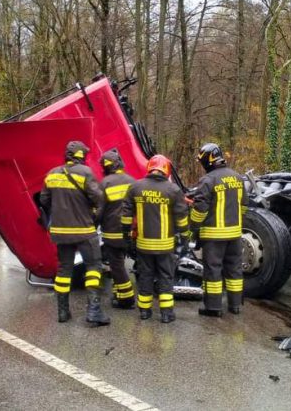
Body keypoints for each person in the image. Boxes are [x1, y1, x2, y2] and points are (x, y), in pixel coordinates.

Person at [39, 140, 110, 326]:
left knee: (64, 270)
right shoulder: (85, 173)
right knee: (93, 267)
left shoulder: (52, 174)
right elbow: (99, 199)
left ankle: (63, 312)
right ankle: (94, 311)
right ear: (81, 156)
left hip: (61, 233)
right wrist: (94, 218)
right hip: (85, 230)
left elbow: (44, 200)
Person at [121, 154, 189, 323]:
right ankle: (166, 314)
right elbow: (182, 219)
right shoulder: (173, 190)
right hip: (165, 246)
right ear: (166, 169)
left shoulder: (136, 187)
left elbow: (126, 216)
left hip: (144, 245)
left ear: (149, 167)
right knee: (166, 277)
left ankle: (145, 311)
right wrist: (185, 238)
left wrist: (126, 237)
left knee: (145, 276)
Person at [190, 143, 249, 316]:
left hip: (214, 237)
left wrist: (193, 228)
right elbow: (244, 205)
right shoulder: (237, 178)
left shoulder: (208, 180)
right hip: (234, 235)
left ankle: (213, 307)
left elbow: (200, 210)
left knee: (213, 271)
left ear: (208, 160)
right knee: (234, 269)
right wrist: (236, 221)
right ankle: (235, 305)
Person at [98, 149, 136, 309]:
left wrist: (91, 226)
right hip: (130, 232)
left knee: (117, 265)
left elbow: (98, 211)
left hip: (112, 232)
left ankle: (127, 299)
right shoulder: (132, 181)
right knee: (120, 262)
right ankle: (119, 294)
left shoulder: (104, 184)